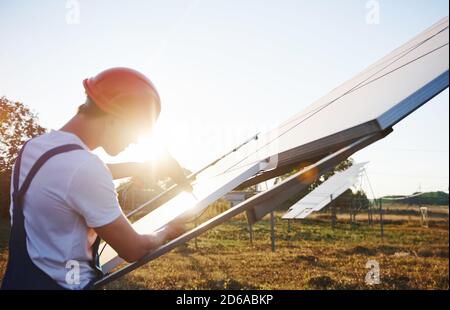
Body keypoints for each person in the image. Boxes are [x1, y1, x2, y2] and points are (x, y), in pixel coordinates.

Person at [1, 67, 185, 290]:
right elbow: (133, 249)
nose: (136, 141)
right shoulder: (85, 167)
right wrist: (166, 230)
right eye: (136, 129)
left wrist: (139, 167)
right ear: (114, 118)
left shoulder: (34, 148)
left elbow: (67, 176)